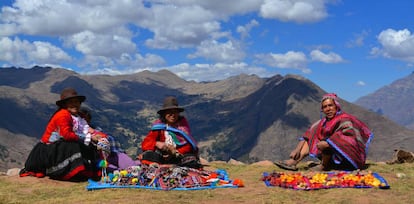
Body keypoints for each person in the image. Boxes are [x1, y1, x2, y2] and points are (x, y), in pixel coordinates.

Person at [19, 87, 108, 181]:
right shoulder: (62, 115)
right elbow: (66, 135)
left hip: (62, 145)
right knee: (73, 146)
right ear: (65, 104)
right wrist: (89, 137)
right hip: (50, 150)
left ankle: (88, 171)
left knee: (89, 145)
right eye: (71, 102)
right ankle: (68, 172)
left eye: (77, 102)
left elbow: (88, 130)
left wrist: (100, 137)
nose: (75, 105)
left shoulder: (79, 116)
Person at [275, 93, 374, 171]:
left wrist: (330, 143)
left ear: (336, 106)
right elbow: (308, 135)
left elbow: (350, 138)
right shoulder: (323, 122)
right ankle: (293, 162)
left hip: (349, 158)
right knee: (313, 137)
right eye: (325, 107)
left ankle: (324, 166)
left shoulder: (345, 119)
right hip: (332, 154)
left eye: (330, 105)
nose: (328, 109)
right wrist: (297, 150)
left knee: (324, 144)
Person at [140, 96, 202, 169]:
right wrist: (157, 144)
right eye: (169, 112)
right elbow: (146, 143)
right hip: (162, 157)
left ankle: (169, 167)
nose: (173, 115)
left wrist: (175, 152)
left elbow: (188, 145)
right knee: (148, 155)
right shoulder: (159, 127)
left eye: (175, 112)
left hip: (178, 156)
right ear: (164, 114)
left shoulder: (182, 127)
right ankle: (164, 166)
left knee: (190, 159)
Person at [79, 108, 139, 172]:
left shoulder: (96, 129)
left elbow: (109, 140)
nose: (84, 122)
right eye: (81, 119)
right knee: (116, 172)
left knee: (133, 168)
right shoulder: (77, 133)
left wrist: (96, 134)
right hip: (98, 159)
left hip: (113, 153)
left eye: (86, 120)